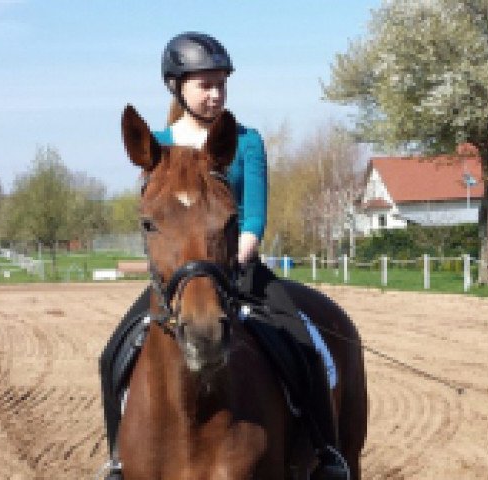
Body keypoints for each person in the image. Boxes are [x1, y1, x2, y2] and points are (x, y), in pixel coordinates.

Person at [99, 32, 348, 480]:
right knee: (112, 354)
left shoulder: (244, 141)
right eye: (204, 85)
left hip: (238, 269)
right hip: (176, 280)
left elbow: (252, 218)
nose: (214, 95)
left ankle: (328, 452)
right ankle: (119, 457)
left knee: (305, 345)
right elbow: (160, 219)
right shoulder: (155, 145)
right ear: (177, 88)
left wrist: (236, 257)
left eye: (220, 85)